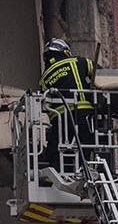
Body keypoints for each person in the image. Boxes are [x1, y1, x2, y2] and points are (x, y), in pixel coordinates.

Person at [39, 36, 94, 175]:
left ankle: (56, 171)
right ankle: (86, 170)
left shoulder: (45, 77)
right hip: (83, 112)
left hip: (60, 119)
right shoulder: (80, 62)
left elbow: (45, 101)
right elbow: (101, 75)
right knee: (87, 145)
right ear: (65, 51)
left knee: (57, 147)